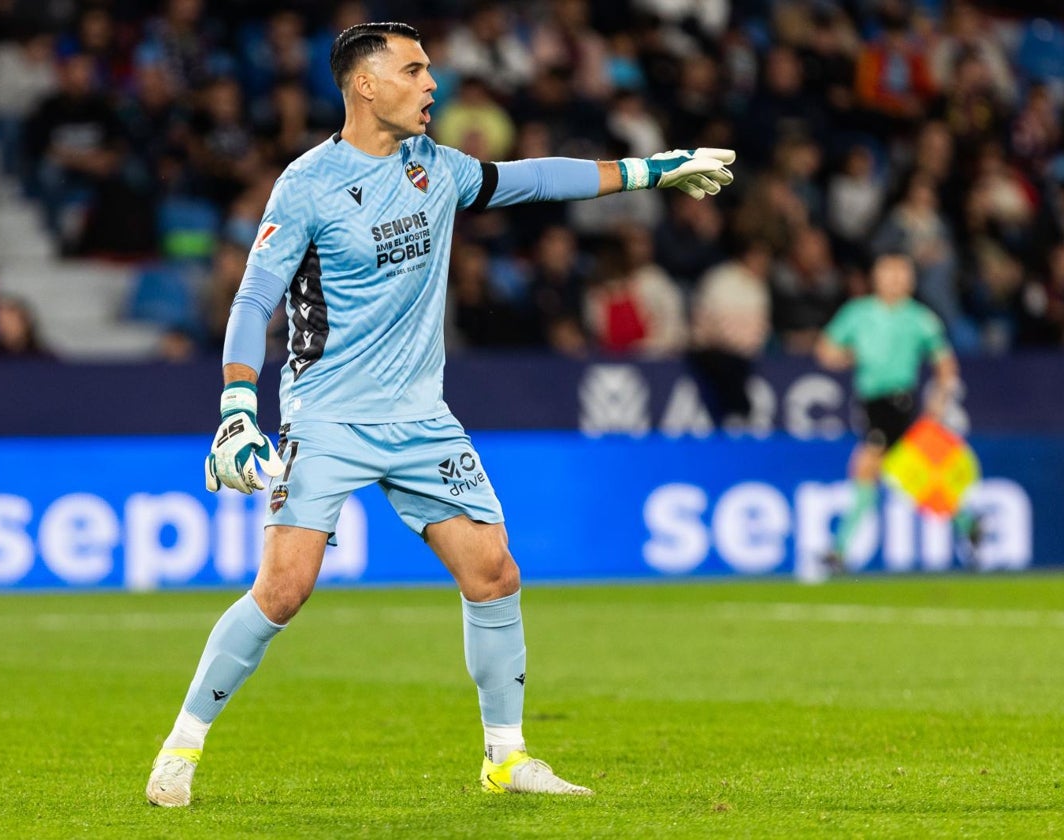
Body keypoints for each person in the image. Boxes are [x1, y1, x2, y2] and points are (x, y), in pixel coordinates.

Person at [145, 21, 735, 807]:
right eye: (415, 70)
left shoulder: (437, 166)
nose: (433, 85)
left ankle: (506, 758)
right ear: (365, 84)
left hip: (423, 419)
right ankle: (181, 749)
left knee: (494, 574)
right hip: (329, 417)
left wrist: (651, 169)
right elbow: (255, 297)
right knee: (284, 589)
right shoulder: (309, 183)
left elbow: (535, 178)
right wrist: (237, 407)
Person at [815, 253, 980, 573]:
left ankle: (839, 550)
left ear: (911, 280)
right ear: (876, 278)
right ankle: (968, 524)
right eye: (888, 273)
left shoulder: (919, 318)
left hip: (898, 403)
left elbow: (946, 364)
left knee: (866, 468)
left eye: (901, 274)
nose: (894, 280)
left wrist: (939, 400)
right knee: (915, 473)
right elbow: (826, 351)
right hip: (869, 403)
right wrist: (851, 355)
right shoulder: (857, 313)